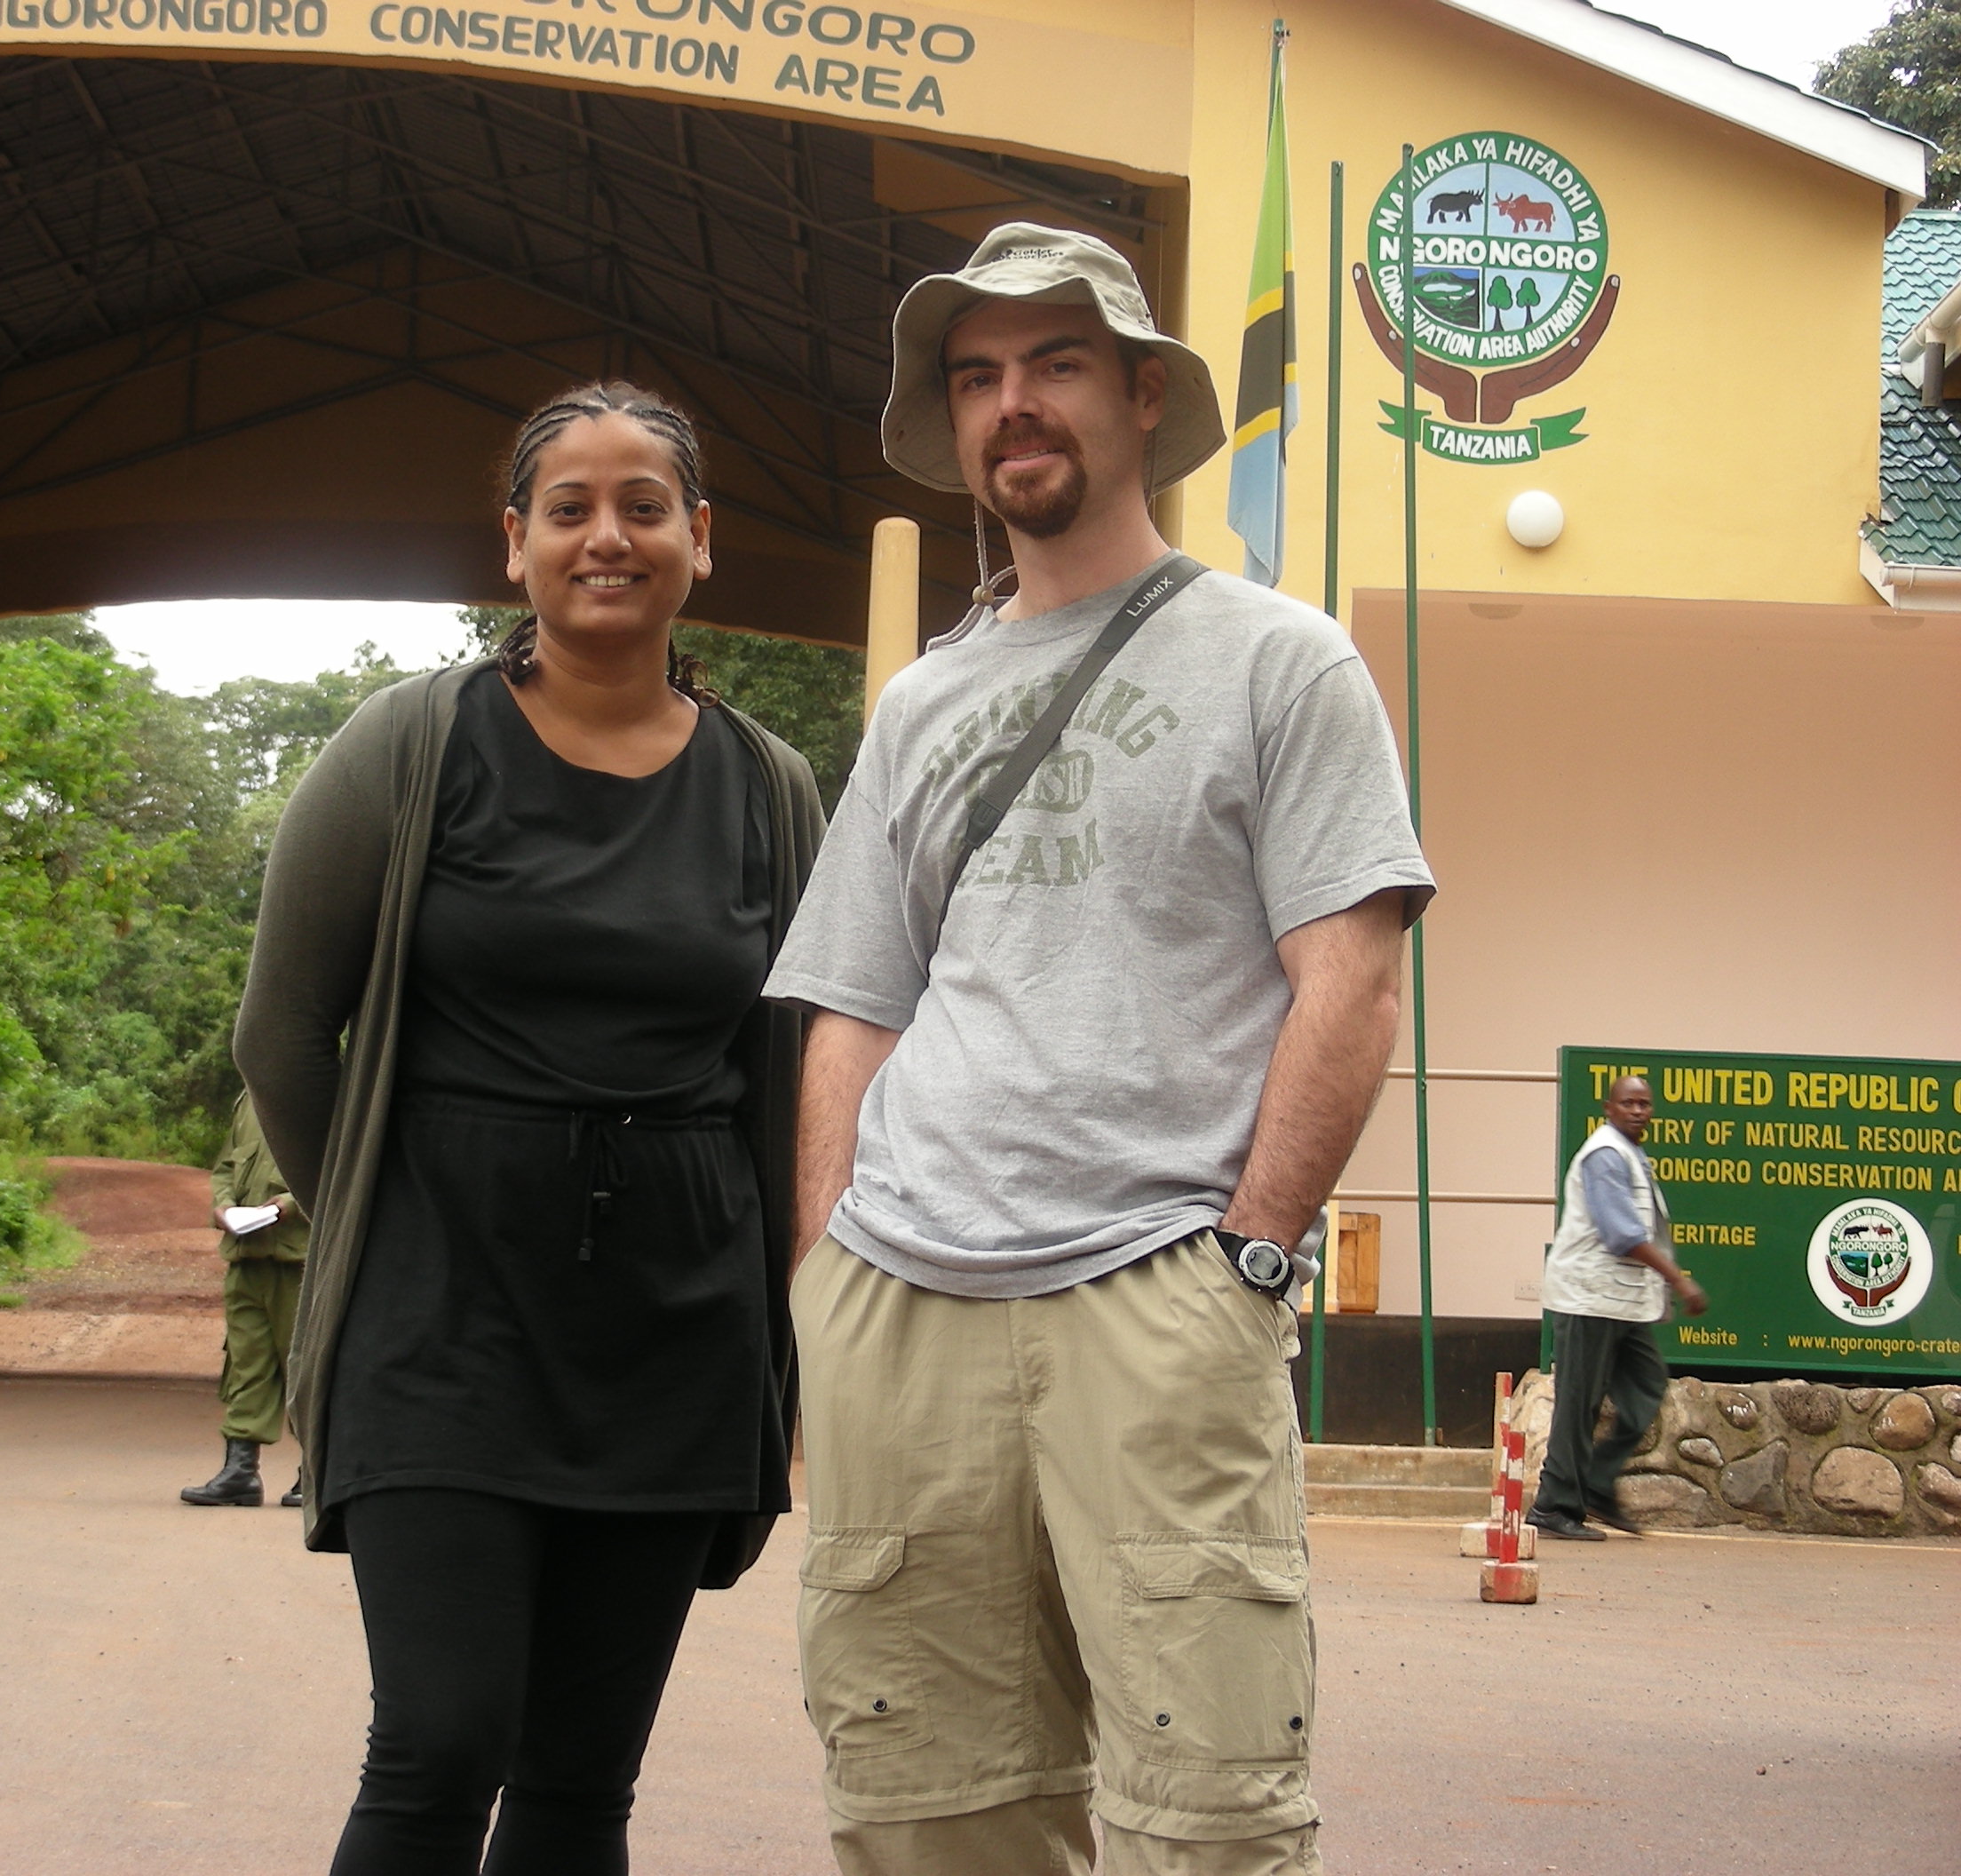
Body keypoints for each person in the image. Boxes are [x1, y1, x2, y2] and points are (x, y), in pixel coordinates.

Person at [764, 223, 1435, 1876]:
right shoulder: (923, 704)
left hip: (1158, 1282)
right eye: (978, 377)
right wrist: (819, 1281)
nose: (1013, 406)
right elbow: (856, 999)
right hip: (902, 1299)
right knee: (926, 1811)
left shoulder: (1281, 660)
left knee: (1204, 1814)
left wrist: (1252, 1261)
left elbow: (1348, 980)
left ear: (1143, 398)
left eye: (1055, 363)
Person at [233, 380, 823, 1876]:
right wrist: (382, 1224)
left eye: (643, 506)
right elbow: (283, 1030)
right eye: (570, 507)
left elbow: (802, 1072)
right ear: (516, 543)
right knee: (438, 1742)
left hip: (678, 1329)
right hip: (444, 1320)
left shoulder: (770, 789)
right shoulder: (410, 744)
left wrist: (788, 1332)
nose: (606, 536)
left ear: (701, 539)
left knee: (577, 1783)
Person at [1528, 1075, 1707, 1541]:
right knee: (1578, 1404)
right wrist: (1679, 1281)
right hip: (1589, 1298)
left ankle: (1597, 1485)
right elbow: (1622, 1234)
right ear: (1608, 1107)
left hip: (1620, 1303)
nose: (1638, 1111)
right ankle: (1555, 1505)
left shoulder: (1631, 1154)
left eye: (1645, 1104)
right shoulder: (1605, 1154)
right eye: (1628, 1102)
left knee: (1647, 1387)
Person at [180, 1086, 308, 1508]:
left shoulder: (329, 1091)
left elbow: (344, 1168)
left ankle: (319, 1474)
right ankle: (240, 1473)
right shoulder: (248, 1099)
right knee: (245, 1363)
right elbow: (224, 1167)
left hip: (301, 1260)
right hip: (246, 1259)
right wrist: (222, 1206)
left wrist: (288, 1205)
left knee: (308, 1366)